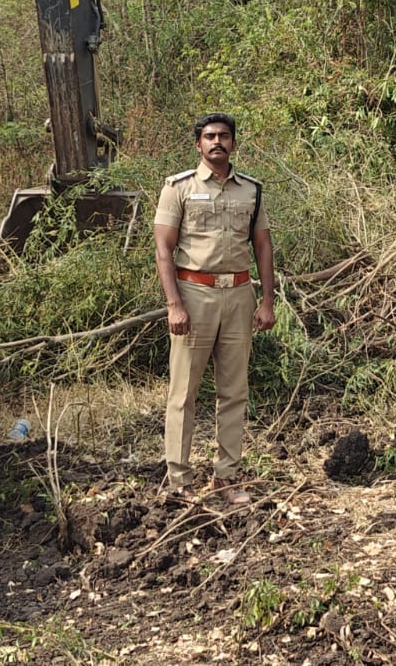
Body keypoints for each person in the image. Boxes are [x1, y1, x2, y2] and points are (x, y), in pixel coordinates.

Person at [154, 112, 275, 504]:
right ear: (198, 145)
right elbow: (163, 251)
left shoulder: (251, 191)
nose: (217, 141)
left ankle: (227, 477)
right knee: (183, 392)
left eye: (224, 136)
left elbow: (262, 247)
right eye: (209, 136)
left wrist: (267, 300)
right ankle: (179, 480)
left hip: (239, 296)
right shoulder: (179, 188)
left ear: (234, 143)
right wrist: (174, 304)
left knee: (234, 391)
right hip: (195, 295)